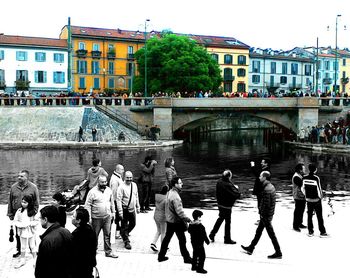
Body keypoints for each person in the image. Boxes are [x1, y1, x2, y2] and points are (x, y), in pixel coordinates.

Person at [241, 171, 282, 259]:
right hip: (268, 214)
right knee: (258, 232)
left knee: (271, 234)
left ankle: (278, 252)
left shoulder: (267, 189)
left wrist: (262, 215)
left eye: (260, 176)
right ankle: (251, 248)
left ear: (264, 177)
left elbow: (266, 205)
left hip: (266, 215)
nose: (259, 178)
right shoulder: (270, 186)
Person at [158, 177, 192, 264]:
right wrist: (188, 220)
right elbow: (180, 212)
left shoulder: (169, 192)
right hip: (176, 222)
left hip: (169, 220)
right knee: (182, 240)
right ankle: (186, 258)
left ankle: (161, 256)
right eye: (180, 183)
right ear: (175, 184)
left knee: (167, 238)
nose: (182, 184)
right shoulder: (176, 197)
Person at [7, 170, 40, 258]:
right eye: (18, 176)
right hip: (17, 214)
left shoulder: (33, 187)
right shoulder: (13, 187)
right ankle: (19, 250)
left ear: (26, 177)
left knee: (31, 232)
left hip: (30, 214)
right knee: (19, 233)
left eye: (21, 176)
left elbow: (37, 202)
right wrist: (10, 214)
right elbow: (10, 201)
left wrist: (34, 212)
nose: (19, 177)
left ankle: (33, 250)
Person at [35, 205, 74, 278]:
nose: (40, 220)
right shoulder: (67, 232)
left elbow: (41, 268)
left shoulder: (47, 240)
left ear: (45, 219)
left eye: (41, 218)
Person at [84, 175, 118, 258]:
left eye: (105, 182)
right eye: (102, 182)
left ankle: (108, 251)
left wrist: (113, 212)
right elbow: (87, 205)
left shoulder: (109, 191)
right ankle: (93, 250)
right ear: (98, 182)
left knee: (108, 235)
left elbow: (112, 203)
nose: (104, 184)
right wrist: (89, 217)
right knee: (94, 236)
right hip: (96, 218)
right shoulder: (92, 192)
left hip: (107, 217)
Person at [209, 169, 240, 244]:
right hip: (227, 206)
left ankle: (212, 233)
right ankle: (227, 238)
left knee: (221, 218)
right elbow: (236, 194)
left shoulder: (219, 181)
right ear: (229, 177)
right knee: (227, 222)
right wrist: (236, 188)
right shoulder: (228, 184)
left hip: (220, 204)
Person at [13, 195, 39, 268]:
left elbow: (37, 221)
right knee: (23, 246)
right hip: (22, 231)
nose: (23, 203)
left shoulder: (33, 212)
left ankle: (35, 258)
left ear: (29, 203)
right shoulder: (19, 211)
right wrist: (20, 225)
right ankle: (22, 259)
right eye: (22, 202)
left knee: (32, 245)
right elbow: (16, 221)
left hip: (30, 231)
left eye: (25, 202)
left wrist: (30, 224)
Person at [302, 163, 328, 237]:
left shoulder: (304, 177)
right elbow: (319, 189)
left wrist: (306, 196)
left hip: (308, 200)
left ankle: (310, 232)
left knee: (309, 216)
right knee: (319, 216)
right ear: (315, 170)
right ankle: (322, 232)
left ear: (309, 169)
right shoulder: (316, 178)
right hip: (316, 200)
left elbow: (302, 188)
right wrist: (320, 197)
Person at [116, 171, 140, 250]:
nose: (129, 179)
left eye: (130, 178)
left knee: (133, 224)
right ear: (124, 178)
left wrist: (138, 206)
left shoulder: (134, 185)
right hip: (124, 209)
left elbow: (136, 196)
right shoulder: (121, 187)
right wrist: (120, 212)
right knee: (124, 225)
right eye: (127, 178)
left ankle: (124, 233)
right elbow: (118, 200)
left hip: (132, 209)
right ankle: (126, 241)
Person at [71, 206, 97, 278]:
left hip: (79, 268)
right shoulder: (91, 230)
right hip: (89, 265)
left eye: (73, 216)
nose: (71, 218)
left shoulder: (76, 234)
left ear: (78, 220)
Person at [188, 209, 210, 274]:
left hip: (193, 242)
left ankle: (194, 266)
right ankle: (200, 268)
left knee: (195, 253)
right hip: (199, 243)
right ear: (198, 217)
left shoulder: (191, 224)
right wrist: (207, 241)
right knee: (202, 256)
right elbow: (204, 235)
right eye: (200, 216)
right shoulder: (200, 226)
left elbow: (189, 231)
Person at [250, 158, 270, 223]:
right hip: (260, 191)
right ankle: (262, 218)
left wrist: (252, 166)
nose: (261, 163)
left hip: (262, 191)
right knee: (260, 205)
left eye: (263, 162)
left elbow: (257, 175)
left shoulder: (266, 171)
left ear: (266, 164)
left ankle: (262, 220)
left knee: (261, 205)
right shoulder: (264, 170)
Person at [150, 185, 168, 252]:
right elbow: (167, 210)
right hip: (163, 218)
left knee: (158, 231)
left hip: (156, 216)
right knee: (163, 232)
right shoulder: (166, 199)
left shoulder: (157, 197)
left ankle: (153, 243)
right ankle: (163, 248)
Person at [109, 164, 125, 239]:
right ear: (117, 170)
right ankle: (117, 233)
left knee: (118, 218)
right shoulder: (115, 180)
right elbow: (114, 192)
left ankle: (119, 232)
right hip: (116, 201)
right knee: (118, 218)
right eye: (122, 169)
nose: (123, 171)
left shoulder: (118, 177)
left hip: (117, 201)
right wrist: (115, 203)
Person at [292, 163, 306, 232]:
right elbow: (302, 184)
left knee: (302, 210)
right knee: (298, 211)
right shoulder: (296, 177)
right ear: (300, 170)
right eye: (303, 168)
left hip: (302, 196)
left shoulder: (300, 175)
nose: (305, 169)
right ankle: (295, 226)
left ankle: (300, 223)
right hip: (297, 196)